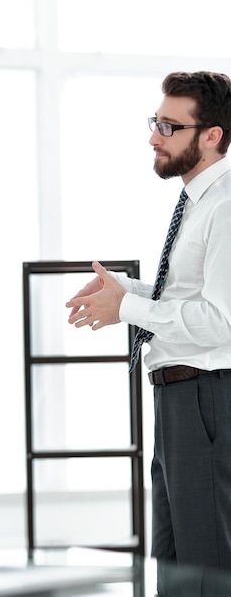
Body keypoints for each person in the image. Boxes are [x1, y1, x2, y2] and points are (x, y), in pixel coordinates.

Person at [65, 71, 231, 589]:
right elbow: (188, 298)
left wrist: (130, 311)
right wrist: (129, 293)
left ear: (213, 136)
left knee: (204, 572)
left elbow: (221, 321)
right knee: (175, 568)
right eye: (155, 122)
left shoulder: (225, 206)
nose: (154, 136)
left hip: (206, 397)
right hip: (179, 400)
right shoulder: (197, 200)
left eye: (169, 126)